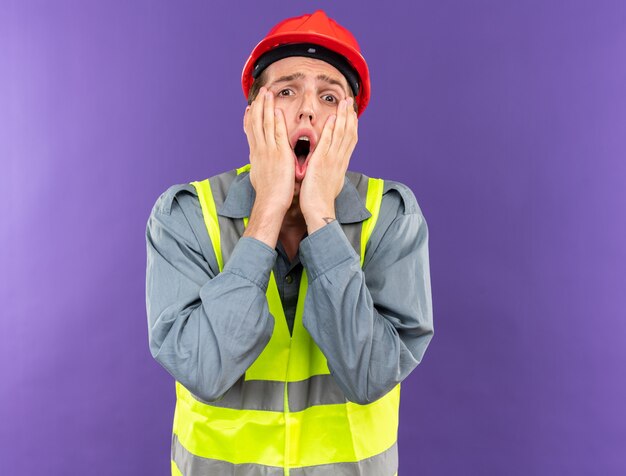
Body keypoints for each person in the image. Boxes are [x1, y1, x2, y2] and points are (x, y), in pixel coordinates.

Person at [145, 10, 434, 476]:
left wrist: (321, 214)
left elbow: (370, 376)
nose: (307, 109)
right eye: (286, 91)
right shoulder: (184, 215)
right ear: (252, 117)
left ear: (350, 125)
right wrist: (267, 211)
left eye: (328, 96)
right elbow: (203, 370)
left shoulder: (393, 216)